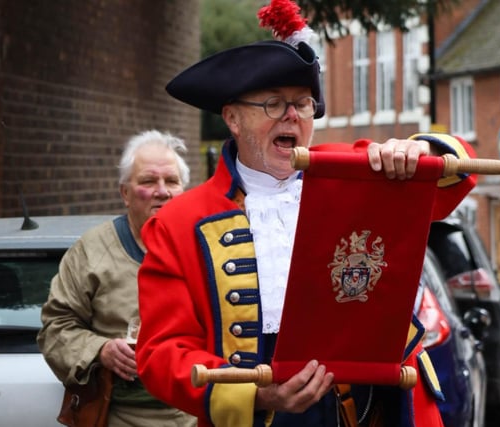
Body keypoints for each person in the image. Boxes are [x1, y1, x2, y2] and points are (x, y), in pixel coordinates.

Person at [136, 2, 477, 426]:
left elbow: (455, 176)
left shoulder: (354, 176)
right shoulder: (178, 222)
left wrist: (420, 151)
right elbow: (161, 353)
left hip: (373, 408)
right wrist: (255, 394)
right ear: (233, 119)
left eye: (303, 103)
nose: (293, 116)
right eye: (275, 104)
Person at [38, 130, 197, 427]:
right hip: (121, 416)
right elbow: (55, 328)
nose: (162, 191)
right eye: (149, 181)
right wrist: (100, 350)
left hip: (198, 414)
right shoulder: (92, 251)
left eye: (172, 181)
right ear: (125, 193)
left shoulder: (206, 246)